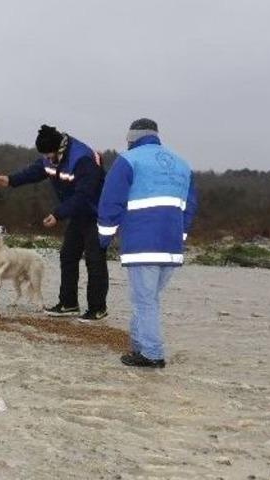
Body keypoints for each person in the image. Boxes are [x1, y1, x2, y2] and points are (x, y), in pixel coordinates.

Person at [97, 118, 198, 368]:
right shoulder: (182, 165)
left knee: (144, 301)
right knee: (147, 299)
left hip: (142, 244)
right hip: (171, 247)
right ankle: (138, 346)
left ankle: (152, 354)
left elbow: (111, 201)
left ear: (131, 137)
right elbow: (189, 207)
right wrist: (180, 236)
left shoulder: (128, 160)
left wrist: (103, 237)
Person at [0, 124, 109, 321]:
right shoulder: (51, 157)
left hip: (96, 213)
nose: (46, 158)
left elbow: (84, 195)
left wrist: (58, 214)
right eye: (44, 155)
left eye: (48, 154)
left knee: (94, 259)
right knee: (68, 255)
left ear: (59, 149)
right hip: (77, 213)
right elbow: (35, 171)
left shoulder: (82, 159)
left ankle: (98, 308)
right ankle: (68, 303)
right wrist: (10, 180)